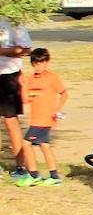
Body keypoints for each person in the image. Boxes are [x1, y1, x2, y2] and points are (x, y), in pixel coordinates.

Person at [15, 48, 68, 186]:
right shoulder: (30, 79)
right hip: (36, 119)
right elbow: (26, 100)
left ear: (47, 62)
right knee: (45, 146)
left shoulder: (52, 78)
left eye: (41, 63)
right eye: (35, 64)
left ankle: (33, 175)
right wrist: (23, 86)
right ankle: (54, 176)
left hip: (44, 120)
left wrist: (57, 109)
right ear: (32, 64)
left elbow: (64, 94)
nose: (38, 66)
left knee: (26, 144)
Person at [1, 15, 33, 178]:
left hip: (7, 76)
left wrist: (3, 51)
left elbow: (26, 49)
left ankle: (21, 165)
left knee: (10, 121)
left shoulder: (13, 20)